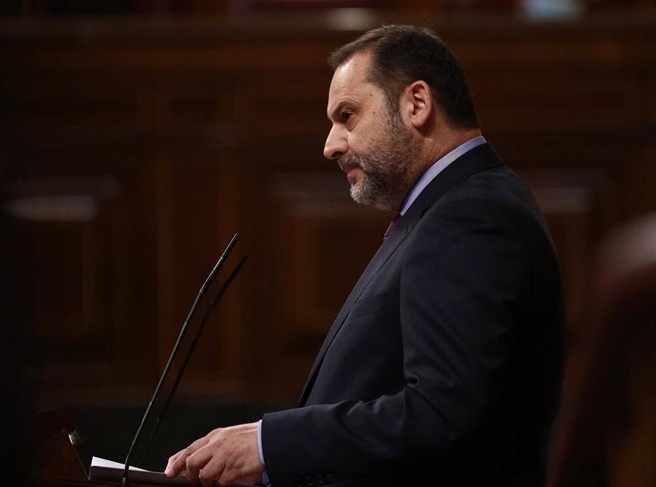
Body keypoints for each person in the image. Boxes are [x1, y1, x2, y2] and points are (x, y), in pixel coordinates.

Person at [164, 24, 566, 487]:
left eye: (347, 116)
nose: (330, 144)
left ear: (416, 103)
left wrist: (267, 445)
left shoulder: (468, 217)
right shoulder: (453, 209)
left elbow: (440, 414)